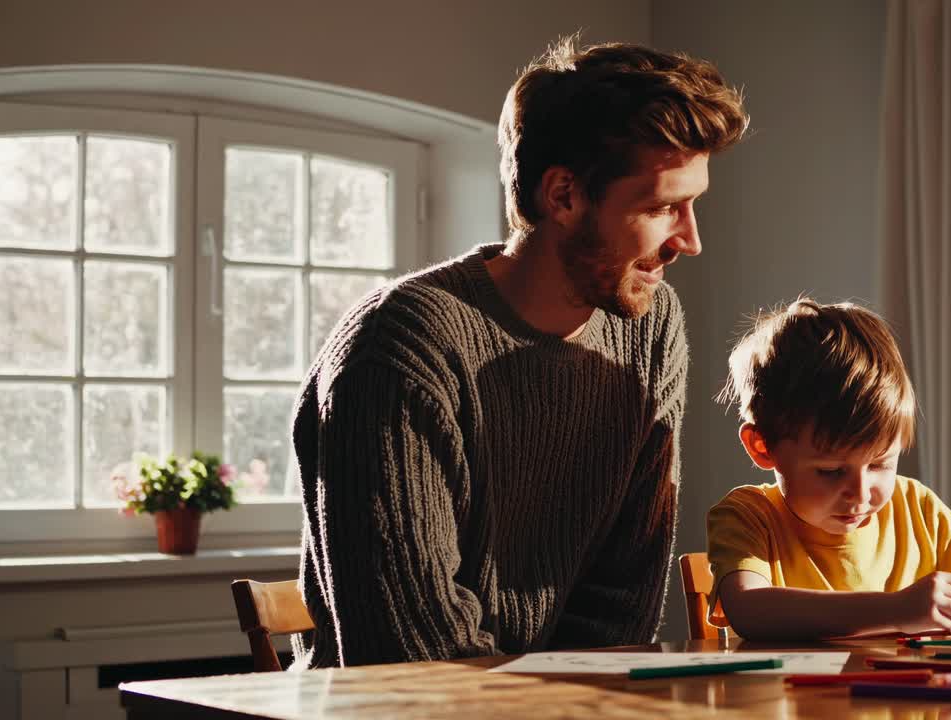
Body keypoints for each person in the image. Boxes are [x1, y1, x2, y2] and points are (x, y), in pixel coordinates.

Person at [288, 38, 748, 668]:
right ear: (563, 196)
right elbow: (413, 651)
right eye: (663, 206)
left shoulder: (650, 326)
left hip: (563, 700)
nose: (689, 240)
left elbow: (621, 604)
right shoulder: (399, 347)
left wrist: (580, 696)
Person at [708, 298, 951, 639]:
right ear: (762, 446)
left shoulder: (917, 509)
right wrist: (896, 610)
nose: (860, 494)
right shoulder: (748, 517)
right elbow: (749, 610)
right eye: (831, 471)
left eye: (879, 464)